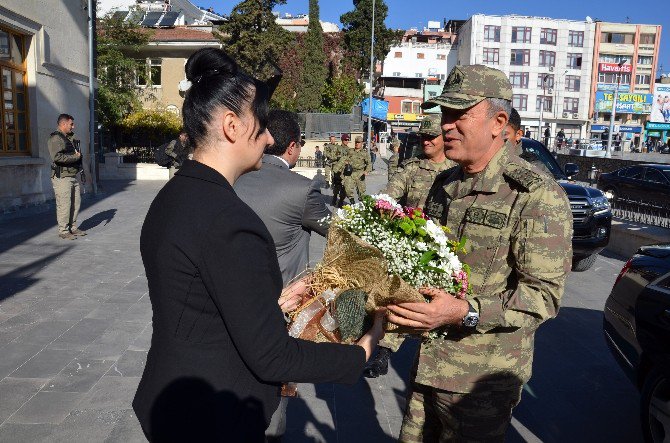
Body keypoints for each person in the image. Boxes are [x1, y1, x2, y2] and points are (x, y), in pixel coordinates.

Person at [133, 48, 385, 443]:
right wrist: (362, 353)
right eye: (262, 124)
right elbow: (272, 357)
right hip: (213, 416)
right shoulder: (229, 221)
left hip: (175, 398)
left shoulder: (177, 194)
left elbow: (199, 299)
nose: (269, 138)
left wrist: (275, 300)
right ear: (232, 125)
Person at [387, 64, 572, 442]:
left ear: (497, 121)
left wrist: (464, 311)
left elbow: (543, 296)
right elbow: (426, 266)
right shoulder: (443, 183)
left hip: (479, 381)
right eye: (445, 115)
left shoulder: (536, 195)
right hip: (427, 363)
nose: (446, 126)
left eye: (459, 115)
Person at [364, 114, 456, 379]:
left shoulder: (455, 170)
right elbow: (391, 194)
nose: (426, 141)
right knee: (402, 296)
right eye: (422, 137)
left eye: (431, 137)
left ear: (443, 138)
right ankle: (384, 351)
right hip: (414, 245)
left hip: (446, 248)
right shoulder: (412, 168)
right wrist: (381, 207)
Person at [235, 110, 330, 285]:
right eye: (301, 143)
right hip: (286, 296)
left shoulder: (234, 177)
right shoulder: (303, 189)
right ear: (292, 147)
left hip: (239, 289)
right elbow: (338, 231)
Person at [47, 113, 85, 240]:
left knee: (76, 202)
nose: (73, 127)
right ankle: (63, 230)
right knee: (64, 204)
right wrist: (75, 157)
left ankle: (72, 227)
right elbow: (57, 157)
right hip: (61, 176)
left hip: (72, 174)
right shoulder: (55, 138)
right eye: (71, 124)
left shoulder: (69, 138)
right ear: (63, 124)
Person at [339, 135, 372, 205]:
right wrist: (344, 163)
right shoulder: (350, 151)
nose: (357, 143)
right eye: (356, 142)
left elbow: (369, 164)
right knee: (347, 188)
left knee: (361, 192)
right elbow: (344, 158)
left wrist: (366, 171)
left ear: (362, 143)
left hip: (360, 174)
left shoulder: (365, 153)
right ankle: (352, 201)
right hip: (350, 173)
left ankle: (363, 206)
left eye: (359, 142)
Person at [330, 133, 350, 207]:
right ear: (342, 140)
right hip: (338, 170)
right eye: (345, 139)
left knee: (344, 186)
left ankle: (341, 201)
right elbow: (332, 156)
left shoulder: (349, 150)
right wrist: (339, 158)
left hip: (345, 171)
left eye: (348, 139)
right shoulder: (337, 147)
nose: (347, 141)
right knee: (337, 185)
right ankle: (334, 198)